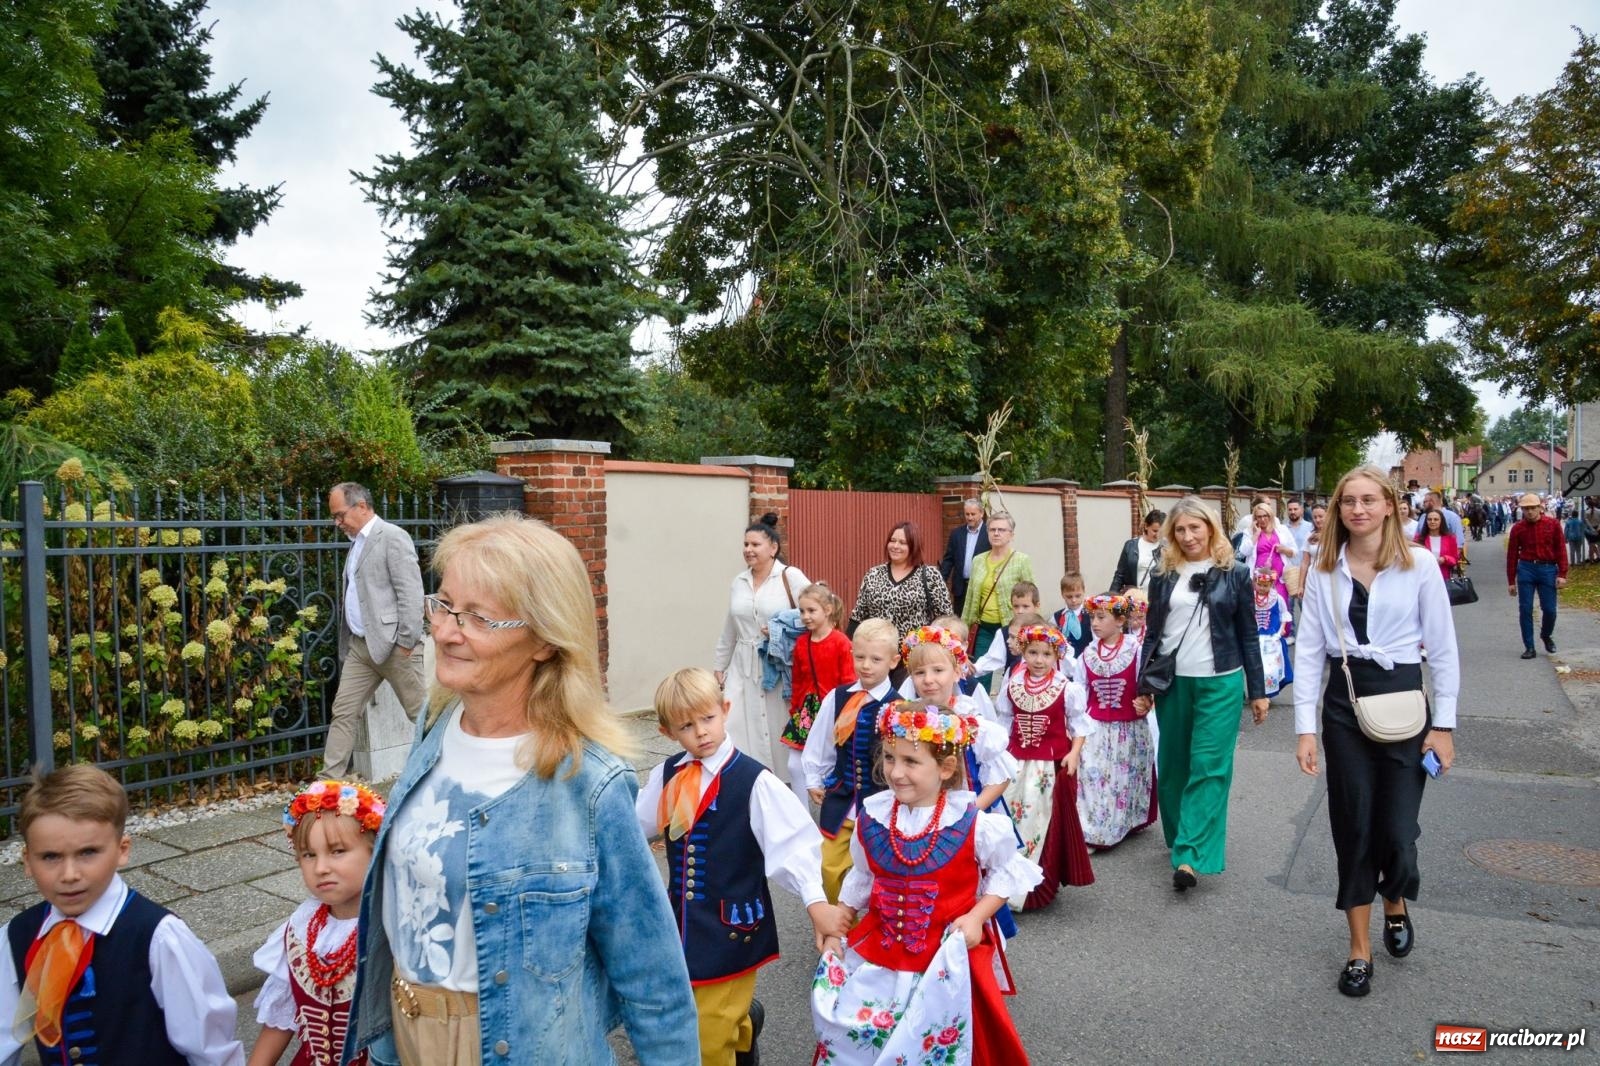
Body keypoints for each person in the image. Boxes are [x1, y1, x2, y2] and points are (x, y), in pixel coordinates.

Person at [344, 515, 695, 1065]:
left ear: (543, 642)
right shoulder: (432, 729)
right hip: (405, 1040)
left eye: (478, 618)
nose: (445, 630)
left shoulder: (591, 782)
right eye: (444, 604)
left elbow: (653, 979)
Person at [1293, 464, 1460, 999]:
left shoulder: (1420, 564)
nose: (1358, 509)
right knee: (1354, 825)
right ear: (1338, 511)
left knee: (1397, 830)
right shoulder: (1323, 571)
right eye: (1348, 502)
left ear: (1390, 505)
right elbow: (1309, 652)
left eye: (1368, 500)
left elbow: (1444, 649)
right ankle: (1359, 950)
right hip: (1345, 704)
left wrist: (1445, 725)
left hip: (1407, 703)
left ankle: (1396, 898)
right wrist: (1304, 730)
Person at [811, 704, 1040, 1066]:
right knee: (870, 1044)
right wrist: (841, 916)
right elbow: (863, 875)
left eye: (910, 762)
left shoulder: (973, 823)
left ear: (946, 768)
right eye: (888, 758)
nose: (895, 772)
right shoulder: (873, 815)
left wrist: (978, 916)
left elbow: (1008, 871)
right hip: (880, 960)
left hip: (944, 961)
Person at [639, 669, 846, 1066]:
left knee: (707, 1035)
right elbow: (634, 826)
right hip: (682, 923)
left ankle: (733, 1035)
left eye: (708, 718)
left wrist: (816, 902)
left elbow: (794, 846)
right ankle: (745, 1029)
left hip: (732, 927)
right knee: (698, 1007)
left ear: (725, 710)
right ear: (667, 733)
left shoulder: (754, 781)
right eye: (686, 725)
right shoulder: (667, 776)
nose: (700, 732)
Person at [0, 765, 243, 1066]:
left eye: (88, 852)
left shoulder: (159, 937)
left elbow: (211, 1050)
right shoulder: (16, 936)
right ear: (27, 861)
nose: (69, 874)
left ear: (122, 849)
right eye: (50, 857)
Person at [1134, 496, 1269, 893]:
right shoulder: (1163, 574)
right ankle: (1180, 835)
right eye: (1180, 529)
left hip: (1221, 682)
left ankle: (1191, 855)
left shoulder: (1236, 573)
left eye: (1196, 527)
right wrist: (1144, 685)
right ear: (1171, 534)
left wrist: (1257, 691)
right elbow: (1153, 635)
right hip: (1174, 682)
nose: (1189, 535)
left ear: (1211, 528)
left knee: (1209, 766)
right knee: (1173, 765)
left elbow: (1248, 634)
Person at [249, 780, 386, 1066]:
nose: (321, 868)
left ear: (374, 852)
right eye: (309, 855)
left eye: (337, 851)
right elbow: (280, 1021)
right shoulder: (300, 930)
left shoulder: (389, 927)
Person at [325, 480, 426, 779]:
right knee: (343, 711)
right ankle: (327, 783)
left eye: (340, 515)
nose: (337, 522)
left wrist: (406, 641)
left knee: (422, 715)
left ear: (361, 506)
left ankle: (447, 768)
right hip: (360, 647)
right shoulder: (356, 544)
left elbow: (410, 591)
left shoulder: (392, 537)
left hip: (395, 646)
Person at [996, 624, 1095, 910]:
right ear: (1023, 653)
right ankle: (1004, 881)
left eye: (1046, 654)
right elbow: (1005, 722)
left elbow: (1079, 725)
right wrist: (999, 756)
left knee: (1041, 820)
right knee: (1010, 818)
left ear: (1057, 656)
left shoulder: (1067, 688)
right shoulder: (1012, 685)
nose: (1039, 660)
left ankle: (1036, 883)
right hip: (1016, 763)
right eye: (1033, 653)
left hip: (1049, 766)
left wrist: (1074, 753)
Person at [803, 619, 902, 904]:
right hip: (841, 800)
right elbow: (821, 742)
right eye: (860, 657)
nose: (866, 665)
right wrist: (814, 778)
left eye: (875, 659)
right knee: (829, 867)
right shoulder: (837, 697)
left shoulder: (898, 706)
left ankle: (866, 933)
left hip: (880, 804)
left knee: (876, 869)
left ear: (893, 661)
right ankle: (837, 925)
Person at [714, 513, 810, 784]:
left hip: (777, 663)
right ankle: (747, 781)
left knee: (776, 723)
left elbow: (820, 608)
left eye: (755, 544)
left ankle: (784, 783)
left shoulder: (790, 577)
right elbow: (730, 626)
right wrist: (719, 666)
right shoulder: (739, 582)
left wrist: (782, 625)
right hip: (742, 664)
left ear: (773, 548)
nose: (748, 550)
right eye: (745, 544)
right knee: (735, 723)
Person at [1075, 594, 1156, 849]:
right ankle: (1095, 831)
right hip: (1096, 727)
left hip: (1129, 727)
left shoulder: (1136, 649)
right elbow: (1080, 691)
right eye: (1092, 618)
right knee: (1093, 776)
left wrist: (1147, 698)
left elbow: (1148, 682)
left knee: (1125, 779)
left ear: (1120, 620)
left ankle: (1123, 822)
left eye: (1101, 617)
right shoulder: (1087, 655)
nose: (1095, 623)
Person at [781, 582, 857, 805]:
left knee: (831, 762)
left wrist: (845, 713)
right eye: (802, 611)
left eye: (811, 610)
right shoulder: (802, 643)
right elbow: (798, 680)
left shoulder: (841, 642)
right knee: (794, 765)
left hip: (833, 710)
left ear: (827, 610)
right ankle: (800, 816)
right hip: (806, 711)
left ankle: (832, 810)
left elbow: (848, 680)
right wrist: (795, 709)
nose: (806, 616)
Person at [849, 521, 954, 644]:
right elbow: (858, 616)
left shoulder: (930, 575)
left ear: (914, 546)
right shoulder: (874, 574)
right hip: (878, 652)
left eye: (903, 543)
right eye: (892, 541)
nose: (895, 546)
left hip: (915, 655)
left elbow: (945, 618)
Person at [960, 511, 1035, 668]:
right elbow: (970, 597)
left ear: (1011, 535)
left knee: (1014, 670)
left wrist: (1033, 625)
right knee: (979, 670)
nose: (996, 533)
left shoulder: (1021, 560)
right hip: (983, 627)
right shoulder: (978, 560)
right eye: (992, 529)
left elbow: (1030, 596)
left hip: (1012, 628)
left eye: (1001, 530)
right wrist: (963, 628)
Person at [1506, 492, 1568, 658]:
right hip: (1526, 568)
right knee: (1525, 608)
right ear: (1522, 510)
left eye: (1533, 508)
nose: (1530, 512)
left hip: (1547, 568)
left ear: (1540, 508)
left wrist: (1562, 573)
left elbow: (1561, 549)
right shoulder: (1518, 528)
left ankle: (1546, 635)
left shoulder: (1552, 524)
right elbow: (1512, 555)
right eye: (1526, 509)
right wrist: (1511, 581)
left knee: (1549, 609)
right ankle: (1529, 646)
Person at [975, 583, 1045, 687]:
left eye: (1025, 606)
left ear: (1037, 606)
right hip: (1014, 688)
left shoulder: (1047, 633)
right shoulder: (1005, 633)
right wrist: (970, 669)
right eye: (1016, 606)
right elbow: (991, 660)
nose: (1020, 611)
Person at [1236, 500, 1297, 610]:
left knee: (1281, 609)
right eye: (1259, 517)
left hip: (1279, 579)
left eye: (1265, 516)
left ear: (1270, 516)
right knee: (1261, 609)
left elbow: (1294, 552)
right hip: (1259, 580)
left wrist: (1284, 550)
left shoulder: (1282, 530)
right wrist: (1256, 534)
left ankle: (1282, 628)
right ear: (1255, 518)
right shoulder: (1249, 532)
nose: (1262, 519)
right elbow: (1243, 552)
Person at [939, 498, 991, 609]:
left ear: (981, 513)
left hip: (981, 588)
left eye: (973, 514)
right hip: (960, 589)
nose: (970, 517)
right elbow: (949, 559)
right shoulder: (956, 534)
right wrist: (940, 581)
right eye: (967, 514)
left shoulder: (989, 534)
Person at [1252, 567, 1293, 699]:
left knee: (1271, 668)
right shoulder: (1251, 598)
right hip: (1256, 638)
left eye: (1265, 585)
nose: (1262, 588)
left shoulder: (1277, 598)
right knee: (1257, 667)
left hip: (1272, 638)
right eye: (1259, 584)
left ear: (1271, 584)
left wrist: (1280, 631)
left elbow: (1284, 614)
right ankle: (1257, 693)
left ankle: (1268, 693)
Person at [1110, 510, 1166, 595]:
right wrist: (1111, 596)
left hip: (1156, 601)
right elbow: (1119, 575)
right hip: (1134, 600)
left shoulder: (1166, 548)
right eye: (1155, 531)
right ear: (1146, 526)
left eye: (1161, 532)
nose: (1158, 535)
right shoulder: (1130, 545)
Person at [1414, 508, 1460, 583]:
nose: (1432, 522)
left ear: (1441, 521)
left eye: (1436, 519)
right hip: (1423, 576)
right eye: (1429, 519)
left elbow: (1455, 559)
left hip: (1443, 576)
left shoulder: (1450, 538)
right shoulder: (1418, 539)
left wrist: (1445, 559)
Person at [1052, 573, 1093, 658]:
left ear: (1083, 591)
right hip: (1064, 664)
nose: (1074, 600)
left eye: (1078, 596)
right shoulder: (1056, 617)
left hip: (1085, 661)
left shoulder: (1091, 615)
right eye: (1069, 597)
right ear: (1062, 594)